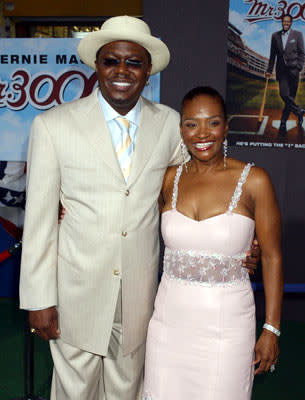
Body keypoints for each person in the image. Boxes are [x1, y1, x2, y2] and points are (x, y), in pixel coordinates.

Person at [19, 16, 259, 400]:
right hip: (75, 296)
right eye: (111, 60)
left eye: (134, 63)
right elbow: (39, 223)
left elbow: (200, 184)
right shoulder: (53, 126)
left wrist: (244, 243)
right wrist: (38, 299)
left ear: (148, 71)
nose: (122, 71)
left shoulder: (170, 124)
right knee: (72, 392)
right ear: (96, 65)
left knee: (127, 391)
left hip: (139, 295)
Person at [142, 87, 283, 400]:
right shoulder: (167, 179)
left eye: (213, 123)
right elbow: (128, 215)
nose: (202, 133)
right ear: (182, 130)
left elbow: (272, 257)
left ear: (226, 127)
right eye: (192, 124)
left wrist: (271, 328)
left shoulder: (255, 180)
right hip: (168, 327)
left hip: (228, 330)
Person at [266, 13, 305, 136]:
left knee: (290, 99)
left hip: (294, 71)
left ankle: (283, 122)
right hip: (282, 71)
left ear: (291, 23)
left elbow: (302, 53)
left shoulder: (297, 35)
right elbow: (273, 55)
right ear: (281, 22)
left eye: (288, 22)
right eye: (284, 22)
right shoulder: (275, 36)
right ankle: (299, 111)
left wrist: (299, 67)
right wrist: (269, 69)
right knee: (284, 94)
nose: (286, 24)